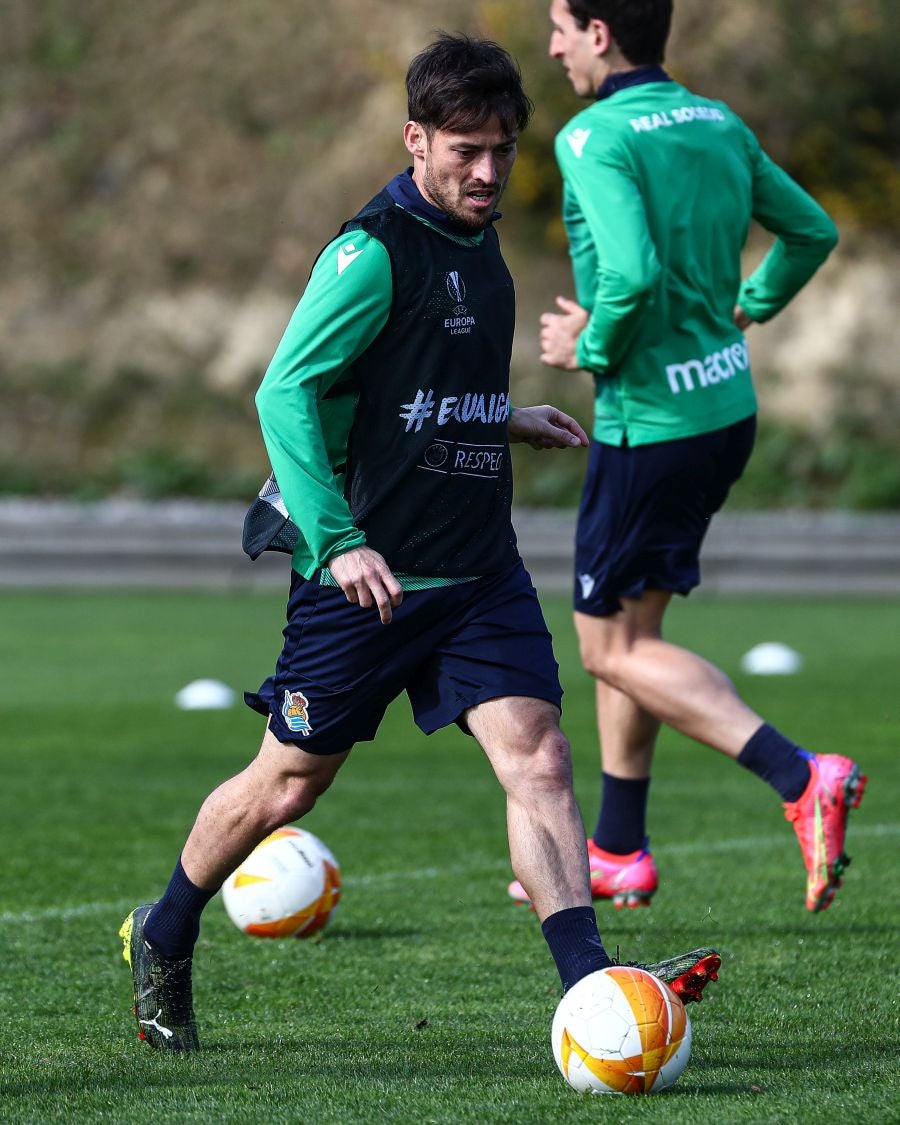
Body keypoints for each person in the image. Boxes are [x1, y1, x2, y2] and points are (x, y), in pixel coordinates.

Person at [119, 34, 720, 1053]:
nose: (488, 172)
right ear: (415, 141)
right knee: (291, 783)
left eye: (503, 150)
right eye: (465, 151)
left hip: (477, 570)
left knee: (538, 754)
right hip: (365, 584)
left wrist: (506, 416)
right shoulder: (372, 254)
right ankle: (166, 930)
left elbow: (421, 392)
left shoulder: (482, 250)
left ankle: (590, 987)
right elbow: (286, 393)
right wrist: (339, 540)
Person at [507, 0, 866, 915]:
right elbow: (812, 231)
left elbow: (627, 277)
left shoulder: (593, 138)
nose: (551, 46)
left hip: (651, 424)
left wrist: (587, 347)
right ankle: (619, 848)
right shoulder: (717, 121)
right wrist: (749, 304)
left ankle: (801, 775)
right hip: (723, 408)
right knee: (634, 635)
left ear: (599, 32)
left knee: (610, 647)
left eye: (560, 26)